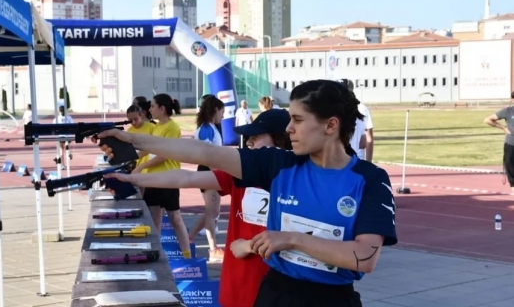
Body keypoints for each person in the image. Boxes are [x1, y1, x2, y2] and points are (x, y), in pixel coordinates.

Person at [97, 80, 397, 306]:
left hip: (333, 299)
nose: (289, 128)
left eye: (298, 120)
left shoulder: (370, 180)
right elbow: (203, 151)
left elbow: (364, 257)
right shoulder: (278, 164)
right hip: (275, 293)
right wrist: (130, 139)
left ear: (331, 125)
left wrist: (292, 238)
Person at [105, 109, 292, 307]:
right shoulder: (241, 174)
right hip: (235, 287)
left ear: (280, 140)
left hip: (274, 290)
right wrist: (133, 178)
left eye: (255, 137)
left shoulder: (295, 180)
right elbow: (187, 177)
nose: (248, 143)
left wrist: (248, 246)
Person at [129, 93, 192, 259]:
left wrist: (141, 166)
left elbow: (164, 155)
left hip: (169, 179)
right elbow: (149, 149)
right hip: (153, 180)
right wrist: (128, 157)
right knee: (154, 219)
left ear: (162, 109)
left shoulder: (172, 127)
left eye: (153, 106)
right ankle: (155, 255)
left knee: (175, 218)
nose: (150, 110)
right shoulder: (156, 127)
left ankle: (187, 256)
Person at [190, 95, 225, 261]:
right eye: (222, 112)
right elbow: (207, 155)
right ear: (216, 110)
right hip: (209, 172)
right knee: (213, 212)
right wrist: (219, 175)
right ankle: (213, 250)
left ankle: (190, 237)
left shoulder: (210, 127)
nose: (223, 116)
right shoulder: (206, 129)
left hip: (211, 172)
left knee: (211, 211)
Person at [483, 91, 514, 195]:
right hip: (511, 145)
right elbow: (488, 120)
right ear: (512, 99)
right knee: (511, 173)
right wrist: (503, 128)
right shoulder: (507, 111)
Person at [341, 79, 374, 161]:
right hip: (356, 159)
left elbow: (366, 140)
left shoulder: (335, 109)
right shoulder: (362, 108)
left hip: (344, 160)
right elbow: (365, 141)